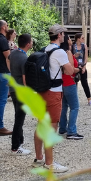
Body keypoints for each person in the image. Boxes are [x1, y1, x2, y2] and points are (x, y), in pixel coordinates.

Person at [33, 25, 74, 173]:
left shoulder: (44, 49)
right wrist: (76, 68)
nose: (64, 36)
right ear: (60, 35)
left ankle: (39, 158)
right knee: (52, 127)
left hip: (42, 91)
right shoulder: (60, 52)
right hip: (54, 92)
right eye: (63, 33)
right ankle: (49, 163)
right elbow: (69, 71)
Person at [7, 33, 33, 156]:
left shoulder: (13, 53)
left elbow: (8, 61)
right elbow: (25, 79)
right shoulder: (24, 59)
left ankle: (20, 142)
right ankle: (15, 146)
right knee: (19, 119)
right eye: (31, 41)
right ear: (28, 44)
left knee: (18, 116)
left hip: (13, 89)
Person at [59, 34, 83, 140]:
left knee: (64, 106)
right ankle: (72, 131)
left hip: (61, 82)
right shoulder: (68, 52)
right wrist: (79, 69)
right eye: (69, 38)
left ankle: (62, 128)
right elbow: (71, 69)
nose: (70, 40)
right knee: (75, 107)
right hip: (69, 81)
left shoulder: (59, 52)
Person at [72, 33, 91, 106]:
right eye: (82, 38)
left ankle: (89, 99)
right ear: (78, 39)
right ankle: (74, 100)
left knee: (84, 83)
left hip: (82, 67)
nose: (83, 39)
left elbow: (86, 57)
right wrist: (74, 56)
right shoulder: (72, 46)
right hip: (74, 67)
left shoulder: (84, 46)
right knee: (74, 84)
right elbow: (70, 57)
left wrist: (84, 67)